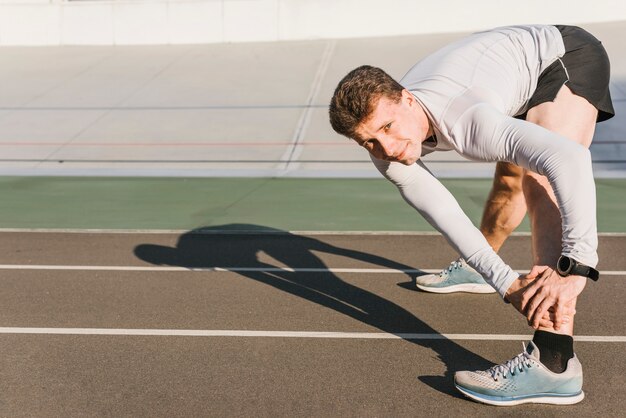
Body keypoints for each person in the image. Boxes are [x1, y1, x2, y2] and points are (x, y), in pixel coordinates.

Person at [328, 24, 614, 406]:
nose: (388, 148)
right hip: (505, 77)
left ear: (408, 101)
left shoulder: (466, 121)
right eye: (369, 141)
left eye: (388, 128)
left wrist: (576, 266)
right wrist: (505, 284)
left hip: (563, 57)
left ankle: (554, 364)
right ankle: (477, 270)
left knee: (539, 177)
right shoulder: (385, 149)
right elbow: (445, 213)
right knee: (510, 183)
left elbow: (570, 158)